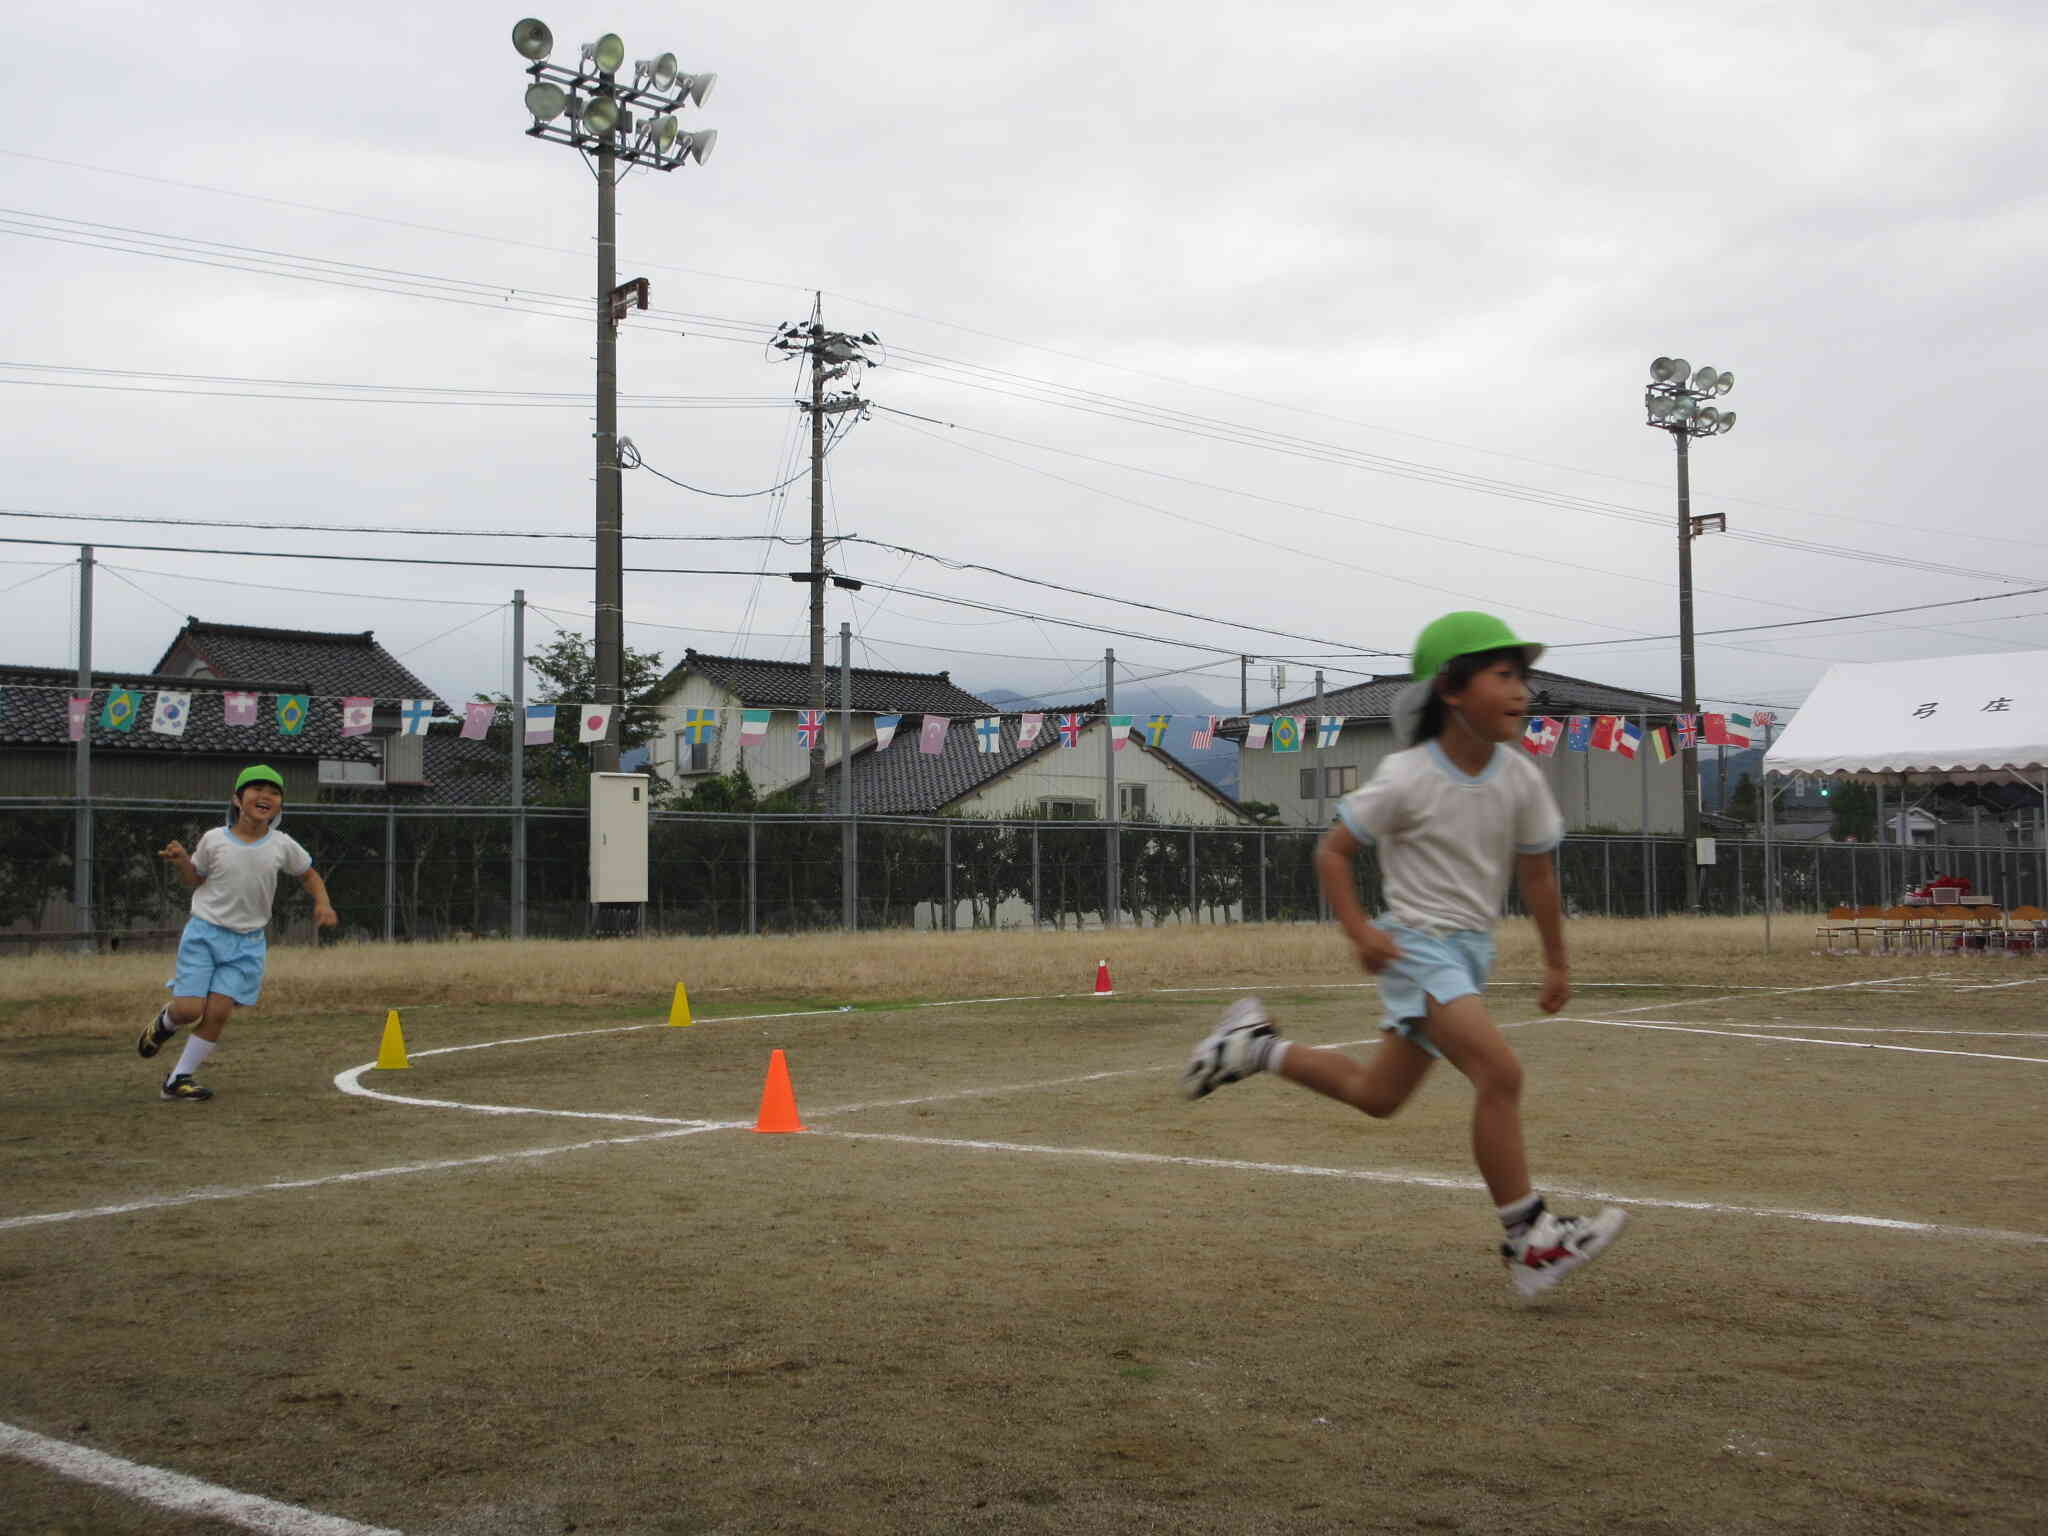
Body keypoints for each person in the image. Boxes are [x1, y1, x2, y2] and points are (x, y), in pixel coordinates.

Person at [1184, 612, 1626, 1297]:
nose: (1521, 692)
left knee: (1378, 1096)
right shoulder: (1406, 775)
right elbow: (1332, 850)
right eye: (1504, 676)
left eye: (1524, 679)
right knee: (1500, 1075)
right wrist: (1361, 931)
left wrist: (1557, 961)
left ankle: (1253, 1047)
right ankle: (1530, 1238)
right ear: (1452, 689)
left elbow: (1539, 874)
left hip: (1467, 955)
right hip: (1418, 949)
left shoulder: (1521, 779)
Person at [137, 764, 337, 1101]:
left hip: (248, 943)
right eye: (257, 789)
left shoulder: (282, 845)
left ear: (280, 806)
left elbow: (309, 875)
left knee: (218, 1013)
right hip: (205, 933)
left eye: (274, 792)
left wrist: (323, 903)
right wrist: (183, 860)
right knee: (188, 1010)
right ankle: (164, 1025)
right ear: (237, 798)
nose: (265, 796)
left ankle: (178, 1080)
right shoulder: (214, 839)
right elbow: (195, 879)